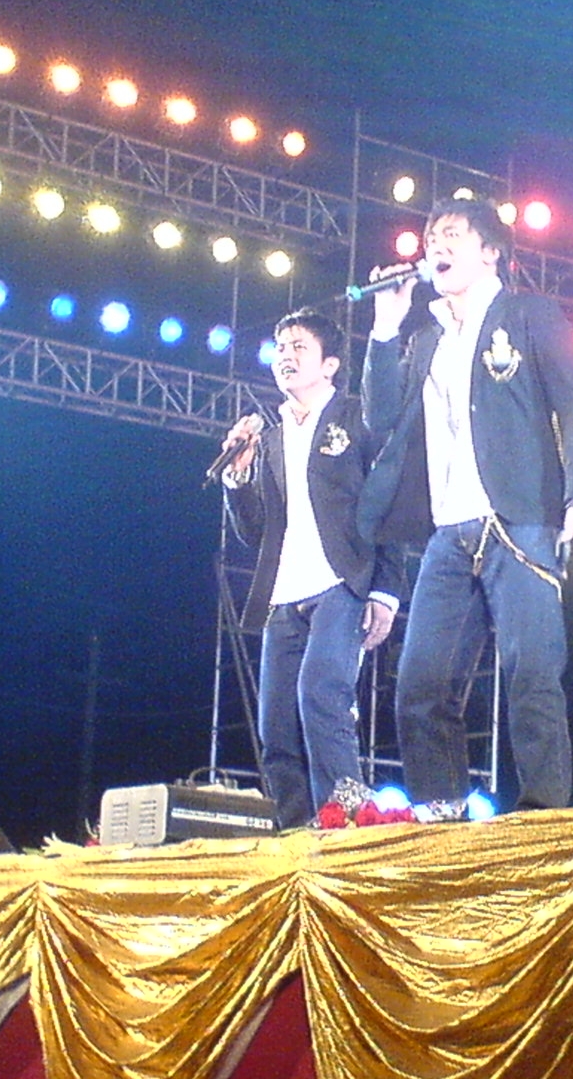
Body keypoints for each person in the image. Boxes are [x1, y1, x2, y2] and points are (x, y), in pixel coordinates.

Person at [360, 196, 573, 819]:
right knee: (420, 685)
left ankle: (543, 814)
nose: (435, 246)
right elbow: (380, 418)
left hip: (520, 521)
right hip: (450, 532)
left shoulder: (528, 315)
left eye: (451, 234)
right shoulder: (424, 337)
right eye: (430, 238)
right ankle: (441, 815)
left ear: (491, 250)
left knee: (531, 674)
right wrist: (385, 327)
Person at [219, 308, 402, 830]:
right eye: (280, 348)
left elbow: (386, 504)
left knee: (321, 696)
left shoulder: (357, 419)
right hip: (284, 595)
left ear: (330, 364)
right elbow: (257, 532)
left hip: (341, 583)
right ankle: (295, 833)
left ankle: (346, 824)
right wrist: (238, 478)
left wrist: (386, 591)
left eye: (299, 347)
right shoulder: (273, 439)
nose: (286, 356)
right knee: (275, 725)